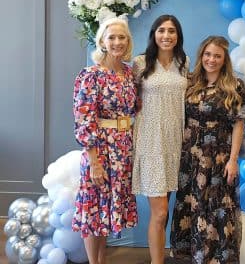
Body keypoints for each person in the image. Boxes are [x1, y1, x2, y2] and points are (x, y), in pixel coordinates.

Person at [170, 36, 245, 264]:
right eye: (208, 54)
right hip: (189, 156)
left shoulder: (235, 86)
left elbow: (238, 124)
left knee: (216, 208)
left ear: (225, 59)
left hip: (218, 157)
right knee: (191, 204)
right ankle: (192, 257)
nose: (211, 59)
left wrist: (233, 160)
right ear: (201, 55)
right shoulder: (190, 81)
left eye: (217, 56)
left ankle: (214, 258)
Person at [72, 17, 140, 264]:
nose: (117, 42)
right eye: (112, 37)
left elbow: (137, 108)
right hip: (100, 149)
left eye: (122, 37)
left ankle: (102, 260)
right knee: (94, 210)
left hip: (123, 149)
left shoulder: (130, 74)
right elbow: (84, 118)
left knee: (106, 210)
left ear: (128, 41)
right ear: (102, 41)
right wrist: (94, 161)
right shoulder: (91, 75)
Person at [132, 14, 189, 264]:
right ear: (154, 34)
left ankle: (160, 257)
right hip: (150, 142)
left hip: (175, 143)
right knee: (160, 212)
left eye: (172, 31)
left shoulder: (183, 62)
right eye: (162, 30)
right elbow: (129, 101)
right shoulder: (140, 63)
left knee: (165, 212)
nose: (167, 35)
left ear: (178, 36)